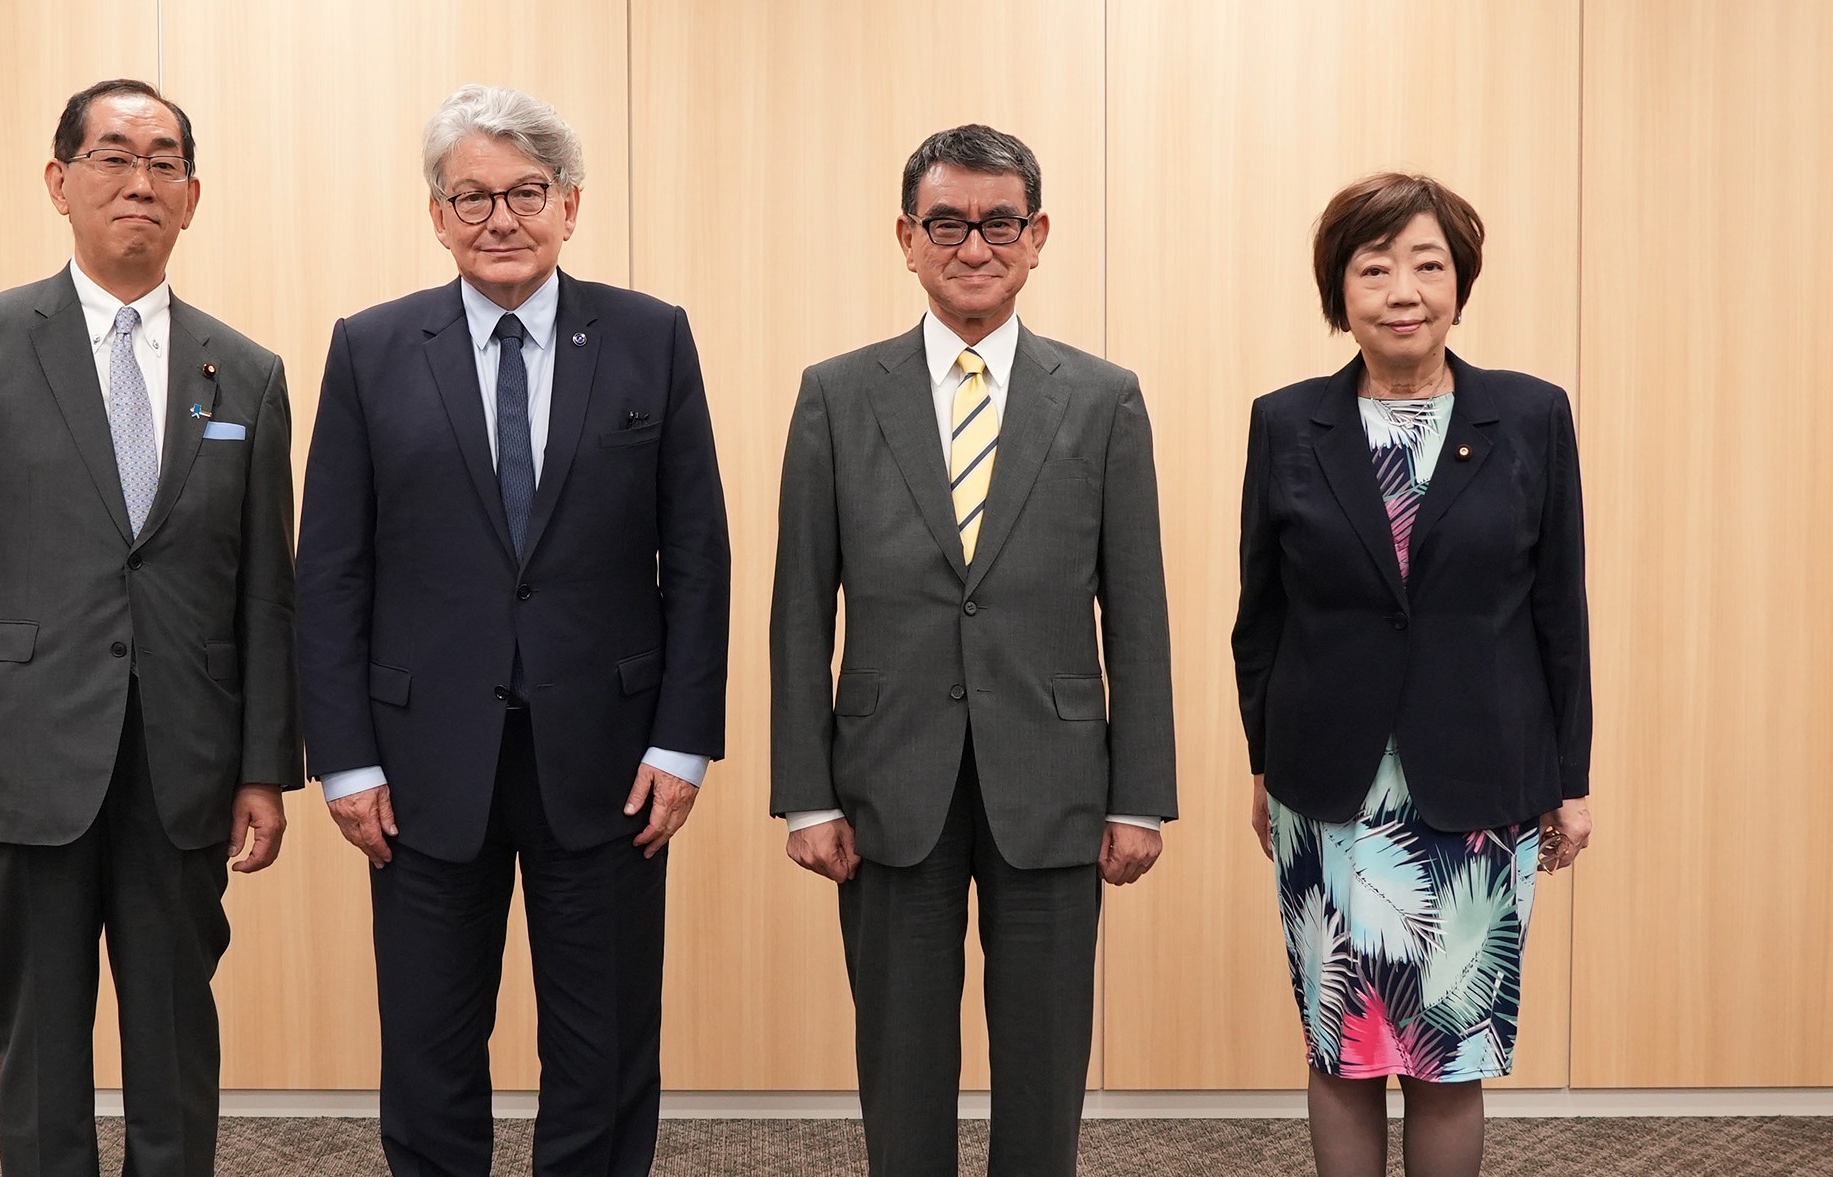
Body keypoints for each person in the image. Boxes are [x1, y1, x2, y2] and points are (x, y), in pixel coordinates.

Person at [295, 84, 730, 1177]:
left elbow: (700, 559)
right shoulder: (371, 348)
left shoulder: (650, 338)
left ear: (570, 204)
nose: (501, 218)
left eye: (526, 192)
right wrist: (342, 760)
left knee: (606, 1044)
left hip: (614, 760)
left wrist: (682, 744)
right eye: (473, 196)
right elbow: (331, 573)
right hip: (420, 761)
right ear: (436, 214)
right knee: (432, 1046)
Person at [0, 79, 301, 1176]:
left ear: (193, 196)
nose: (140, 181)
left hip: (185, 765)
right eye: (114, 156)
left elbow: (265, 589)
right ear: (59, 181)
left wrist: (266, 767)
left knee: (175, 1036)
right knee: (38, 1040)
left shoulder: (246, 372)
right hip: (23, 754)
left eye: (165, 162)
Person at [769, 124, 1177, 1176]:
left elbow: (1135, 612)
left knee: (1044, 1061)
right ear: (905, 237)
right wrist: (805, 794)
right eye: (945, 222)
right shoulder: (834, 394)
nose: (972, 244)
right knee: (898, 1057)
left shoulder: (1101, 398)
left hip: (1053, 783)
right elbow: (798, 609)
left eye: (998, 222)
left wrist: (1138, 796)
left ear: (1036, 236)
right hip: (884, 783)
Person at [1231, 172, 1594, 1177]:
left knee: (1446, 1054)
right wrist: (1262, 762)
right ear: (1337, 290)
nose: (1401, 289)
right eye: (1373, 266)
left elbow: (1558, 609)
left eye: (1425, 265)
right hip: (1327, 782)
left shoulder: (1528, 416)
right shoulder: (1284, 421)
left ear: (1458, 283)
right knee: (1341, 1044)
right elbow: (1259, 615)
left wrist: (1568, 777)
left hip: (1476, 776)